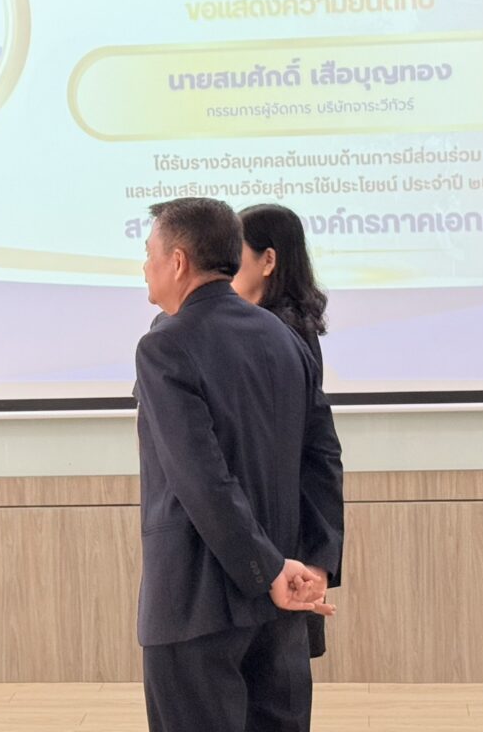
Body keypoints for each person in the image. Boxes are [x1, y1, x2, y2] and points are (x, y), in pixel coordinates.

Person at [135, 197, 344, 732]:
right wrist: (314, 564)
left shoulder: (165, 345)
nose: (144, 267)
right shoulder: (285, 337)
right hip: (284, 606)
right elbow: (322, 457)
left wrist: (266, 569)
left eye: (149, 253)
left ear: (177, 262)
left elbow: (201, 479)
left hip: (197, 605)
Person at [232, 202, 339, 660]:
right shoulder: (284, 328)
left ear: (268, 260)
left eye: (234, 253)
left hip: (276, 531)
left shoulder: (278, 335)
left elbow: (313, 451)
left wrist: (316, 556)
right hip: (272, 531)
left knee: (271, 669)